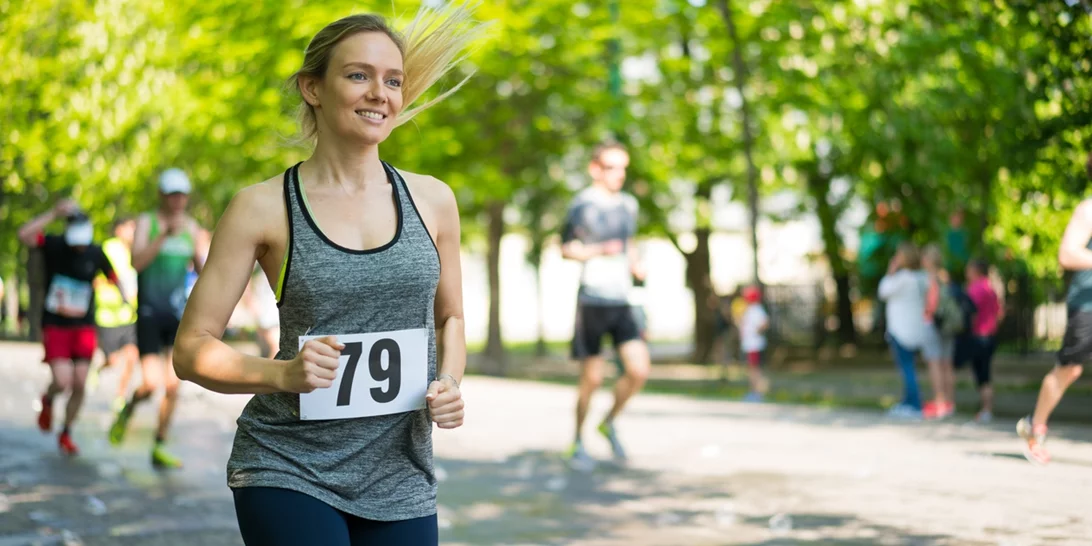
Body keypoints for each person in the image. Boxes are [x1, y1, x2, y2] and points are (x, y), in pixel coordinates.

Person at [171, 7, 483, 544]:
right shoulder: (261, 207)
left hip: (400, 472)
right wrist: (283, 375)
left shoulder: (433, 199)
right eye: (358, 75)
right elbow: (191, 349)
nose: (378, 93)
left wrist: (450, 381)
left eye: (392, 80)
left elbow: (450, 315)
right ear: (312, 87)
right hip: (289, 465)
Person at [107, 168, 209, 469]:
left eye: (182, 195)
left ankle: (160, 444)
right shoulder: (146, 223)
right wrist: (164, 235)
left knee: (174, 385)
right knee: (151, 384)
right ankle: (128, 409)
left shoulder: (192, 227)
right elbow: (136, 263)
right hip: (150, 313)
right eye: (172, 194)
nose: (177, 201)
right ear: (162, 195)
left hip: (178, 316)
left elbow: (205, 272)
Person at [562, 141, 651, 467]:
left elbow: (629, 243)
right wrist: (599, 251)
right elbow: (566, 248)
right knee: (593, 379)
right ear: (595, 169)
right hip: (592, 299)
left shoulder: (629, 204)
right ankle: (577, 439)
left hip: (623, 300)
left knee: (639, 370)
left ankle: (608, 421)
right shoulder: (582, 205)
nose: (620, 175)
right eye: (612, 167)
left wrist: (635, 262)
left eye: (623, 168)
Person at [17, 200, 124, 456]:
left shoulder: (96, 252)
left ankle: (66, 431)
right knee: (62, 381)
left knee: (79, 383)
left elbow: (114, 277)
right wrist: (53, 212)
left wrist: (126, 298)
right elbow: (25, 235)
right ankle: (49, 398)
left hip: (83, 327)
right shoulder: (54, 245)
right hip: (56, 325)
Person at [1018, 152, 1092, 464]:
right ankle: (1035, 428)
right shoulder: (1088, 209)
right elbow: (1067, 254)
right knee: (1069, 369)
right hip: (1088, 305)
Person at [89, 217, 140, 410]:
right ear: (119, 230)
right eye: (129, 228)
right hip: (108, 316)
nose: (133, 233)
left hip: (129, 315)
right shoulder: (107, 249)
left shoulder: (138, 251)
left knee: (132, 356)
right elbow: (95, 279)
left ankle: (120, 396)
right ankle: (99, 368)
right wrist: (116, 289)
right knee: (112, 360)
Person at [878, 242, 927, 419]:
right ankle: (908, 401)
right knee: (909, 367)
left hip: (900, 331)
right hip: (915, 330)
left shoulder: (902, 278)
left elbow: (882, 291)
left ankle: (913, 405)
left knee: (907, 369)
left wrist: (891, 271)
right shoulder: (921, 277)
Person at [921, 244, 958, 420]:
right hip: (948, 325)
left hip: (932, 324)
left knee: (934, 363)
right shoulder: (945, 276)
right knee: (947, 364)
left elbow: (929, 304)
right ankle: (950, 403)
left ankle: (940, 402)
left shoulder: (927, 278)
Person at [962, 258, 1001, 423]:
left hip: (979, 336)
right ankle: (985, 408)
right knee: (984, 373)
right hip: (990, 335)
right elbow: (999, 312)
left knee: (982, 375)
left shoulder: (976, 288)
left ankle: (986, 409)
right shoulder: (990, 287)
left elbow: (970, 312)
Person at [739, 285, 770, 402]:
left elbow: (765, 323)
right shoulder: (751, 309)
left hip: (754, 345)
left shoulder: (756, 309)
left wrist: (757, 331)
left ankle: (756, 393)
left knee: (754, 370)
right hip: (750, 345)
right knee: (752, 369)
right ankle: (755, 392)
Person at [242, 267, 280, 359]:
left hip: (271, 311)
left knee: (272, 348)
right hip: (268, 313)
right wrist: (250, 302)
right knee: (276, 348)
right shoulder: (258, 266)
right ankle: (271, 372)